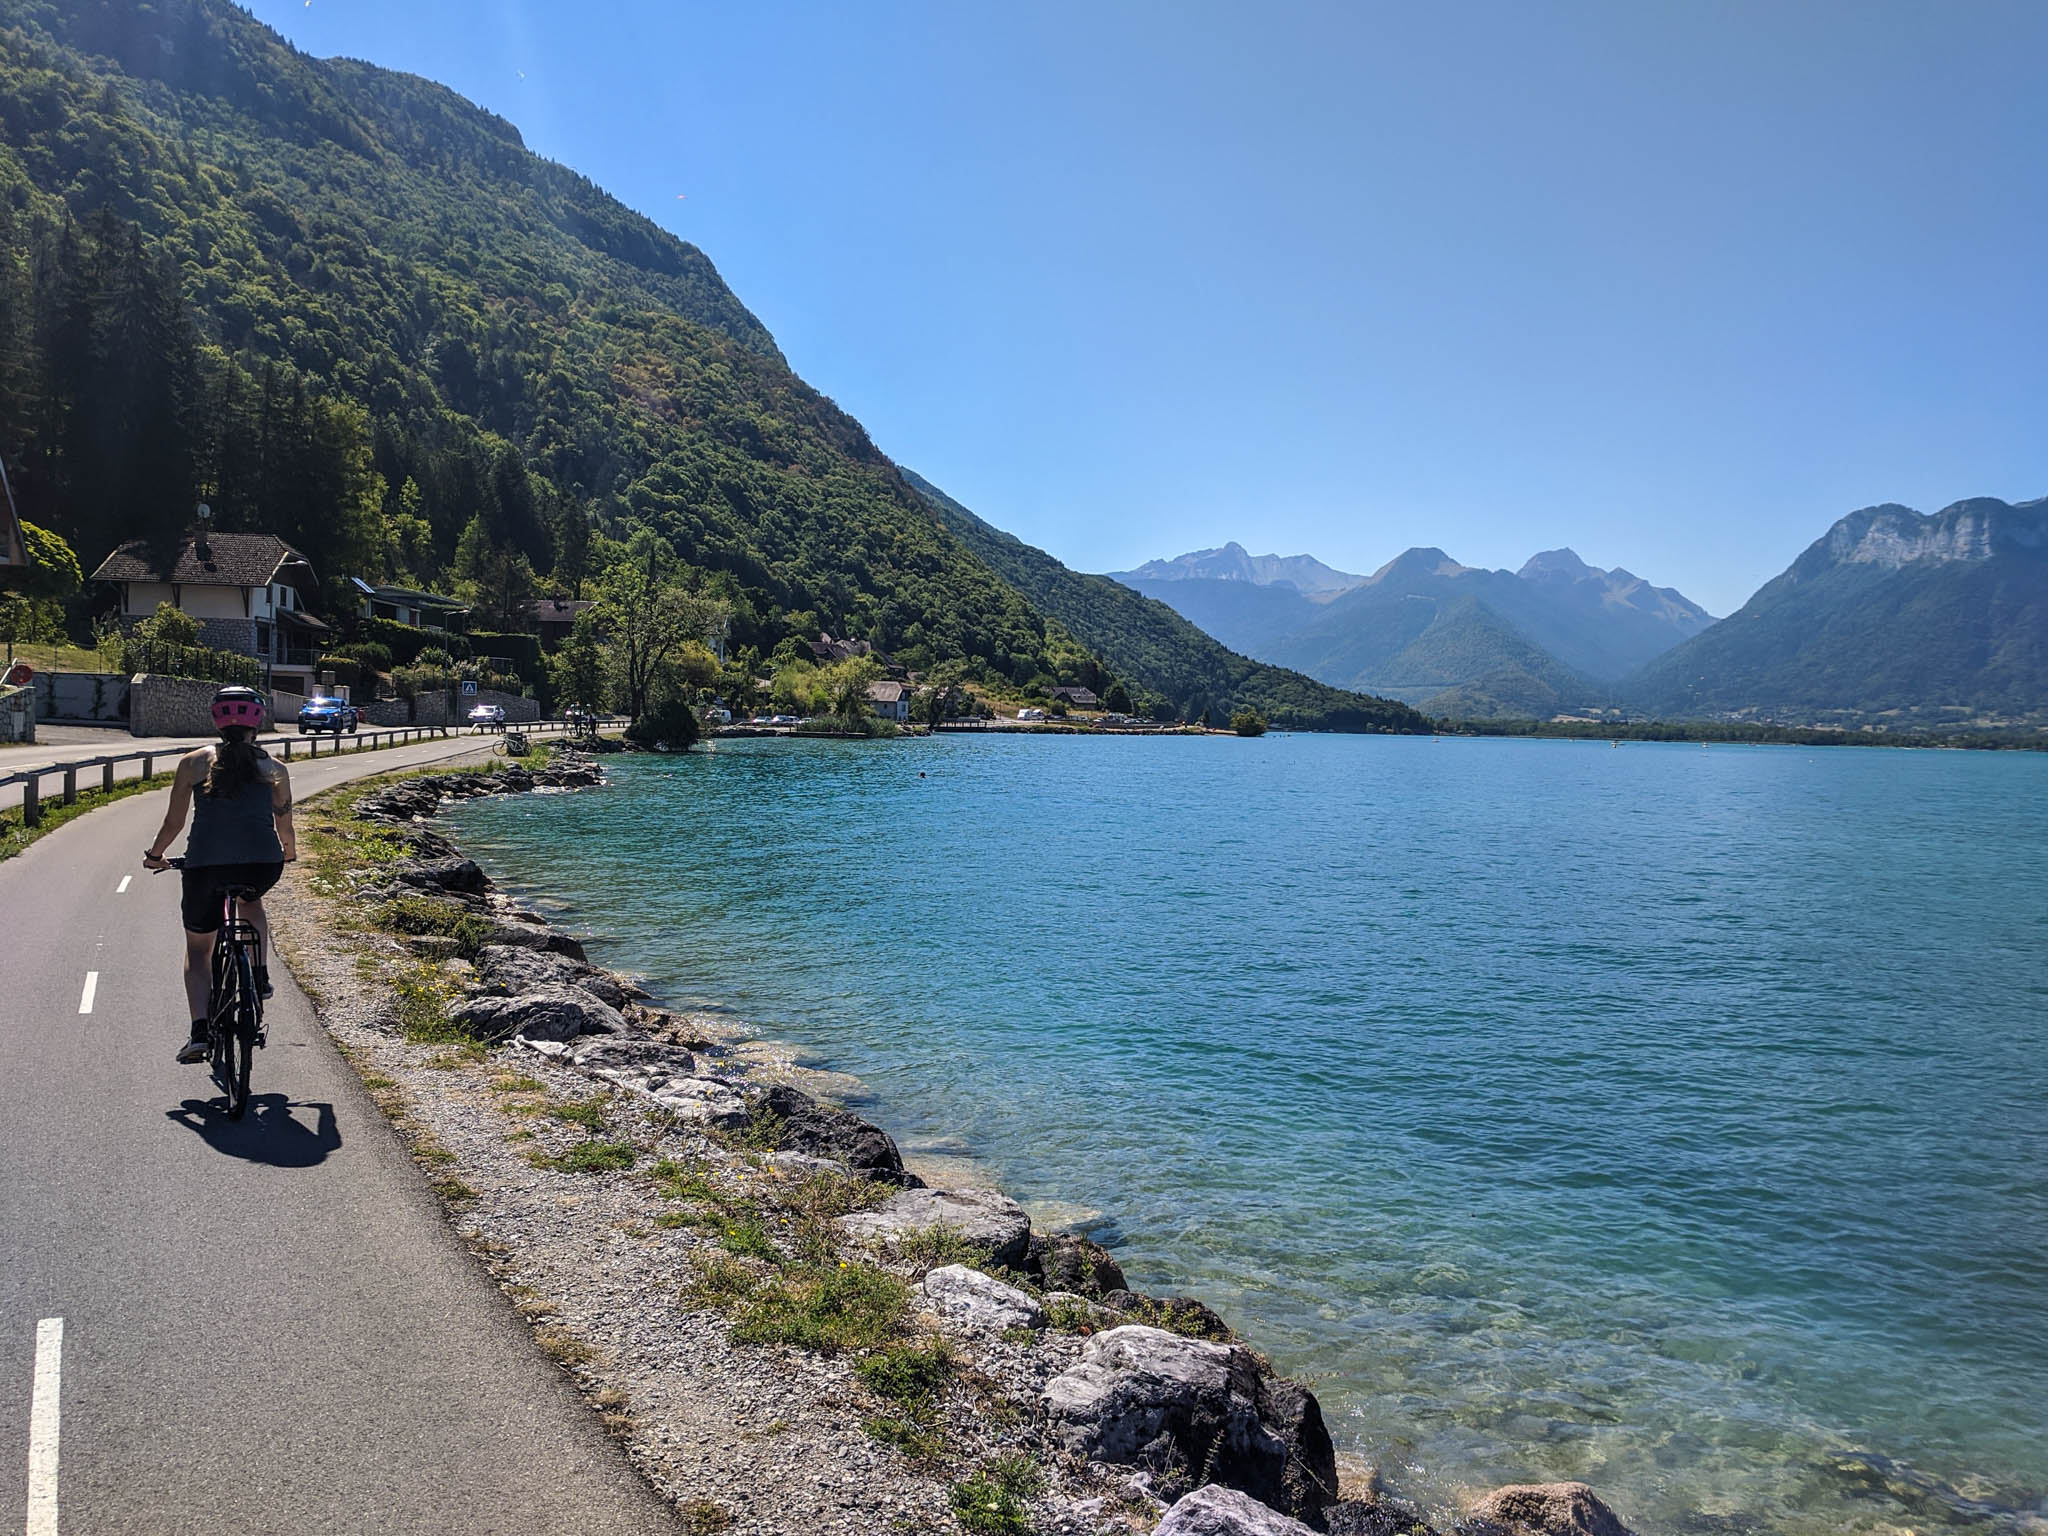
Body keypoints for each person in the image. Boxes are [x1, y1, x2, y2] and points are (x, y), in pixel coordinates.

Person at [142, 686, 297, 1063]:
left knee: (199, 950)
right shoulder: (274, 769)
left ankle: (199, 1033)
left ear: (216, 720)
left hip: (206, 867)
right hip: (262, 865)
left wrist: (155, 855)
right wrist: (288, 854)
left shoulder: (194, 763)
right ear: (257, 722)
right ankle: (258, 975)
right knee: (251, 901)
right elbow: (284, 824)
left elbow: (174, 821)